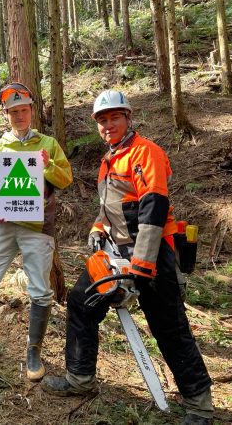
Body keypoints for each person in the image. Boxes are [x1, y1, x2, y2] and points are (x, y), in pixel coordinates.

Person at [42, 90, 213, 425]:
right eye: (102, 120)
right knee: (80, 302)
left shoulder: (145, 153)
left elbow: (153, 209)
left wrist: (142, 266)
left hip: (152, 253)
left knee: (169, 327)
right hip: (114, 251)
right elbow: (111, 209)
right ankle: (80, 378)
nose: (108, 125)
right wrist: (97, 227)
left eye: (114, 118)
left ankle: (199, 406)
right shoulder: (109, 160)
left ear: (128, 118)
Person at [0, 82, 73, 382]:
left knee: (39, 289)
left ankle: (33, 351)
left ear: (32, 111)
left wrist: (48, 167)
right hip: (3, 225)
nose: (19, 116)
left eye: (24, 110)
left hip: (38, 226)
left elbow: (66, 178)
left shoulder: (48, 144)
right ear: (6, 114)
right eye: (14, 112)